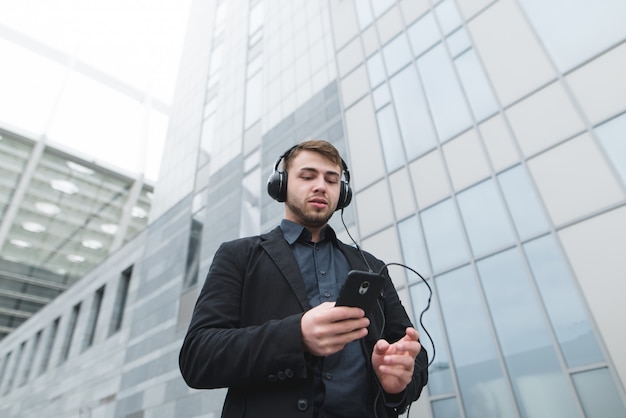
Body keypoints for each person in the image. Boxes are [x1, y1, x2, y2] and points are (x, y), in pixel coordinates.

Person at [179, 140, 428, 417]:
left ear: (342, 193)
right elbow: (197, 357)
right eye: (308, 176)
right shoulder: (238, 256)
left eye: (332, 180)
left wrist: (396, 383)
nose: (321, 186)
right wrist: (295, 335)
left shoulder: (372, 266)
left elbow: (415, 356)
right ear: (280, 185)